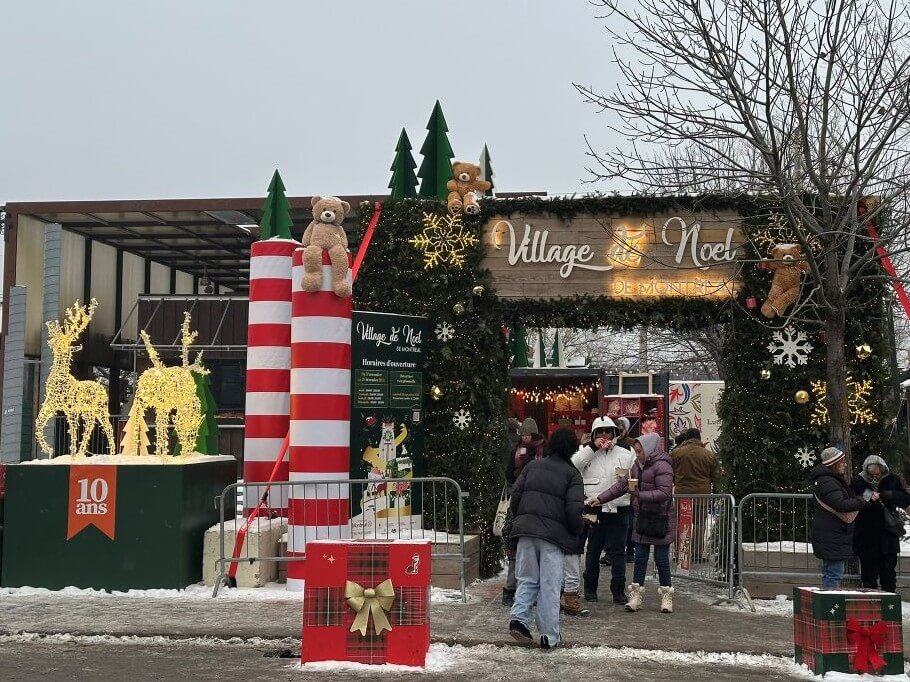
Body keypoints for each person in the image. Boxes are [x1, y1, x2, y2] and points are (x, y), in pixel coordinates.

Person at [508, 428, 585, 650]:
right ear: (572, 449)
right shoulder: (572, 475)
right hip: (553, 536)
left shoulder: (532, 465)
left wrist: (521, 518)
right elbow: (573, 511)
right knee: (550, 585)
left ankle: (519, 620)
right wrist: (577, 530)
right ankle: (549, 636)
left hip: (525, 531)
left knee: (527, 579)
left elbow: (516, 495)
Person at [588, 432, 676, 613]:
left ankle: (666, 596)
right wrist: (600, 498)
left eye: (639, 451)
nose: (637, 455)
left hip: (660, 518)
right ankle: (635, 595)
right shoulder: (637, 466)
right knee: (640, 558)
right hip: (642, 518)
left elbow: (665, 492)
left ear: (649, 449)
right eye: (636, 452)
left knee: (661, 559)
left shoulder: (662, 466)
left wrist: (639, 495)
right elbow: (622, 486)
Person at [572, 416, 635, 603]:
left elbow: (633, 478)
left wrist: (631, 497)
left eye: (608, 431)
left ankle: (618, 590)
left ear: (615, 433)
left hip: (619, 509)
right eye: (600, 432)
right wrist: (592, 448)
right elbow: (573, 465)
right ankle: (590, 588)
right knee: (593, 549)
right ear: (593, 435)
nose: (604, 435)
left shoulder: (626, 452)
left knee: (618, 551)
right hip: (593, 509)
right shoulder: (585, 452)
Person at [810, 446, 869, 589]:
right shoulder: (827, 481)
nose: (845, 465)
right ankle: (828, 606)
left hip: (832, 534)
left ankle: (828, 603)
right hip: (832, 534)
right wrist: (863, 500)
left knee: (832, 571)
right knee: (834, 573)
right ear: (834, 464)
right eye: (842, 462)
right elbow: (840, 504)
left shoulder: (828, 480)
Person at [849, 455, 910, 592]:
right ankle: (871, 607)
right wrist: (868, 497)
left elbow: (906, 499)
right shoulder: (858, 481)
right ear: (866, 471)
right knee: (868, 575)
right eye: (872, 473)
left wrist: (893, 495)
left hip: (888, 535)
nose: (876, 476)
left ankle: (889, 606)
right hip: (866, 534)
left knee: (888, 574)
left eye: (878, 473)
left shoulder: (893, 479)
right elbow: (853, 500)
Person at [502, 417, 545, 606]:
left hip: (538, 502)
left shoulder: (544, 450)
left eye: (529, 434)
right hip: (520, 503)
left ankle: (531, 590)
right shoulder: (517, 450)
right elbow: (509, 473)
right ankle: (510, 590)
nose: (526, 438)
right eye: (524, 434)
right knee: (516, 548)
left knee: (533, 551)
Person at [671, 427, 722, 561]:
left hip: (681, 495)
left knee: (682, 524)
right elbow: (716, 476)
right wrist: (716, 492)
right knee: (699, 525)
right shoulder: (708, 455)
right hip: (701, 496)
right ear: (699, 438)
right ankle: (697, 554)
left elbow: (670, 473)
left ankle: (681, 553)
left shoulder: (676, 453)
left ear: (686, 438)